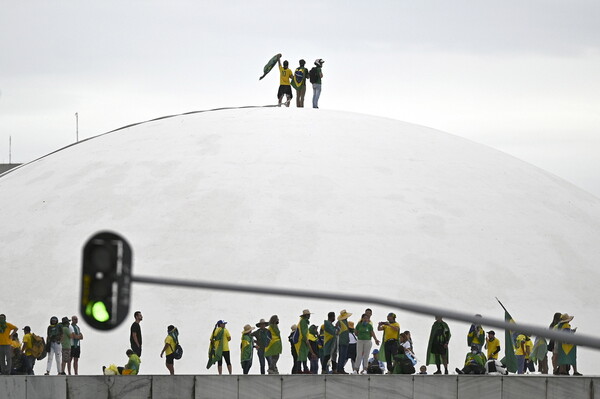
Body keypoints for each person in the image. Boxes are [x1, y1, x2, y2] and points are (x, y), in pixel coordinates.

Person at [295, 309, 315, 374]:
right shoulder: (303, 322)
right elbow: (303, 332)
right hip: (301, 341)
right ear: (305, 315)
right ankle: (303, 369)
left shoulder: (303, 321)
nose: (309, 316)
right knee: (302, 355)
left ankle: (300, 369)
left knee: (302, 355)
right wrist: (306, 340)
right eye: (308, 315)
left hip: (301, 340)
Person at [336, 309, 352, 374]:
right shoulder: (340, 322)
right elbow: (337, 331)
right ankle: (340, 368)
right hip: (342, 341)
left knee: (342, 356)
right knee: (342, 355)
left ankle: (340, 368)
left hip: (344, 341)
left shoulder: (344, 321)